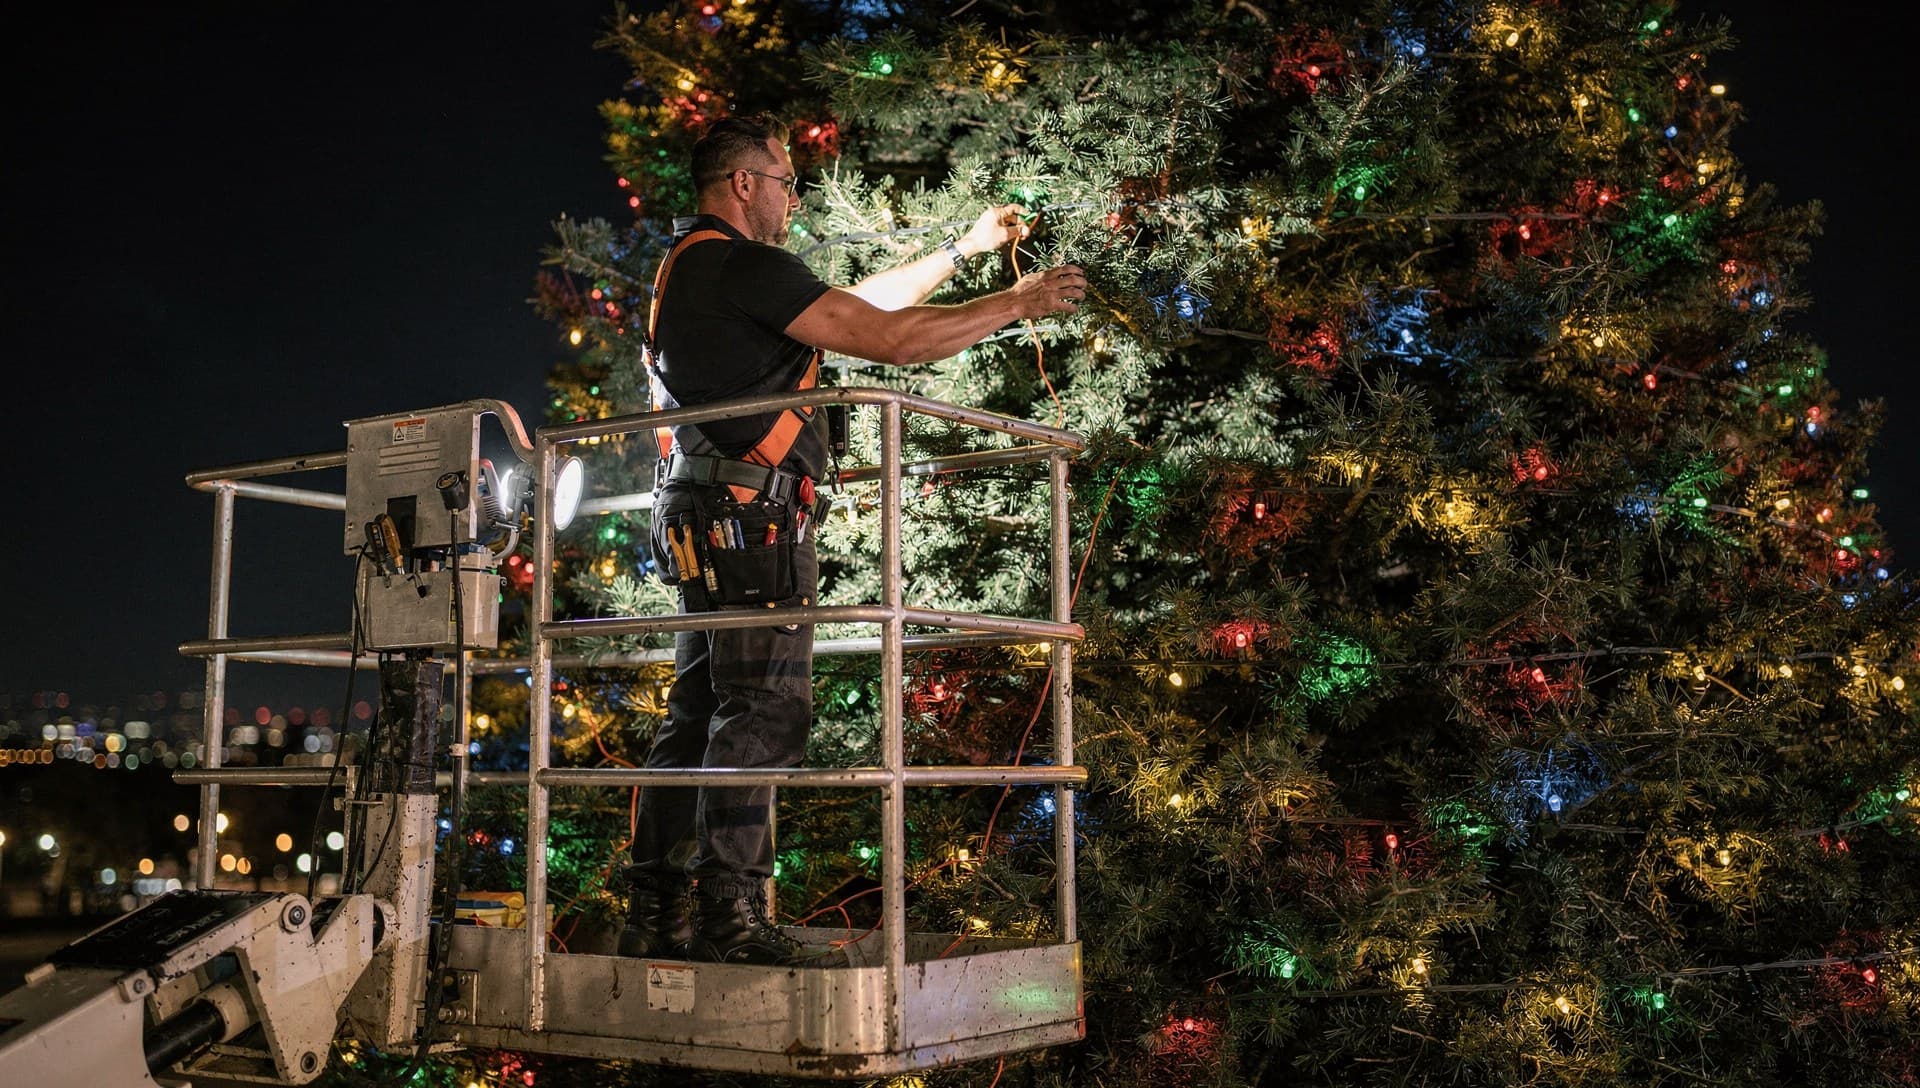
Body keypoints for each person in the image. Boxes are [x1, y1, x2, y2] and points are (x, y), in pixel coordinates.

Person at [619, 112, 1086, 966]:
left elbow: (859, 305)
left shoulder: (694, 270)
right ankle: (731, 921)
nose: (795, 198)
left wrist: (964, 251)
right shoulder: (741, 263)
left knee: (696, 713)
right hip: (752, 519)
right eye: (787, 180)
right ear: (745, 183)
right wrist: (1016, 302)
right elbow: (891, 340)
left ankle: (656, 913)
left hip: (700, 512)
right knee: (763, 708)